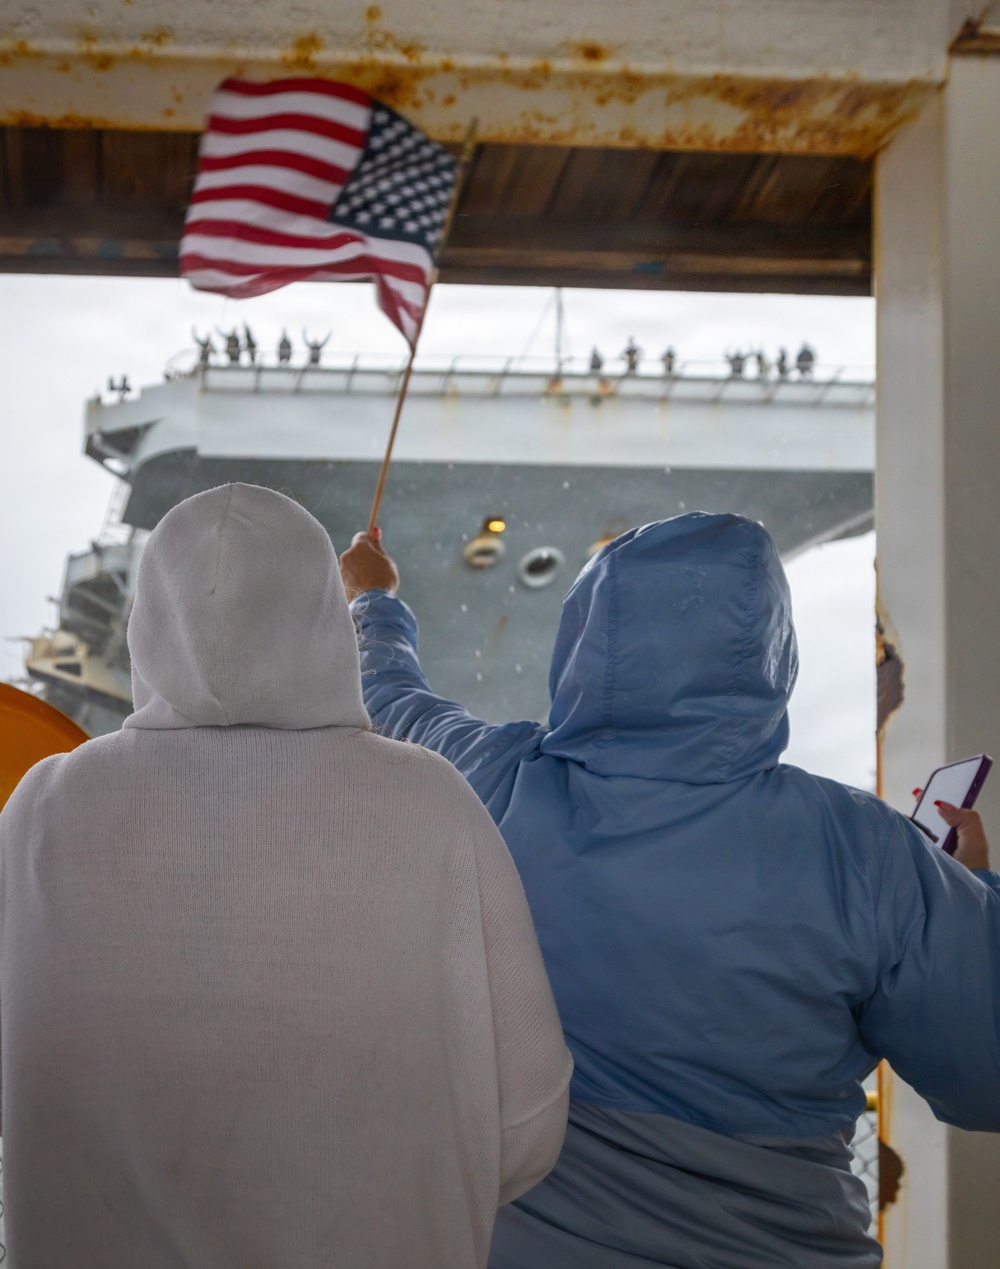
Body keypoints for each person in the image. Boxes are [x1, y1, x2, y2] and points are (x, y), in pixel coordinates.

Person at [340, 513, 1000, 1269]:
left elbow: (392, 703)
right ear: (773, 651)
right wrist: (967, 886)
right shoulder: (867, 850)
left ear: (585, 636)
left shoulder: (501, 780)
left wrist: (374, 602)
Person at [0, 483, 571, 1269]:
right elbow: (526, 1126)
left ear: (148, 621)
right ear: (322, 619)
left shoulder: (42, 809)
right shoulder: (433, 800)